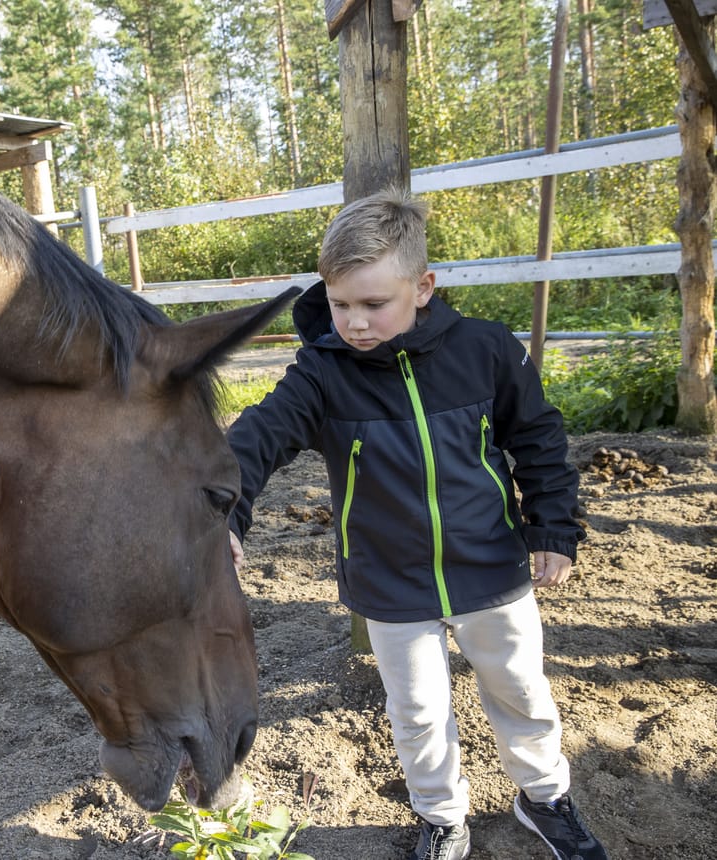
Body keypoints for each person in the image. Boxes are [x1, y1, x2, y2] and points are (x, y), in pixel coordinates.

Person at [225, 188, 607, 860]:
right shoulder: (322, 372)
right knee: (420, 713)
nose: (354, 322)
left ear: (423, 286)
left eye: (374, 304)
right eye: (340, 304)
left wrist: (552, 528)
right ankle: (440, 814)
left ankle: (543, 796)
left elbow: (539, 439)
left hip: (492, 567)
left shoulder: (486, 350)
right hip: (389, 581)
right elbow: (258, 436)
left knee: (520, 690)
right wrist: (225, 516)